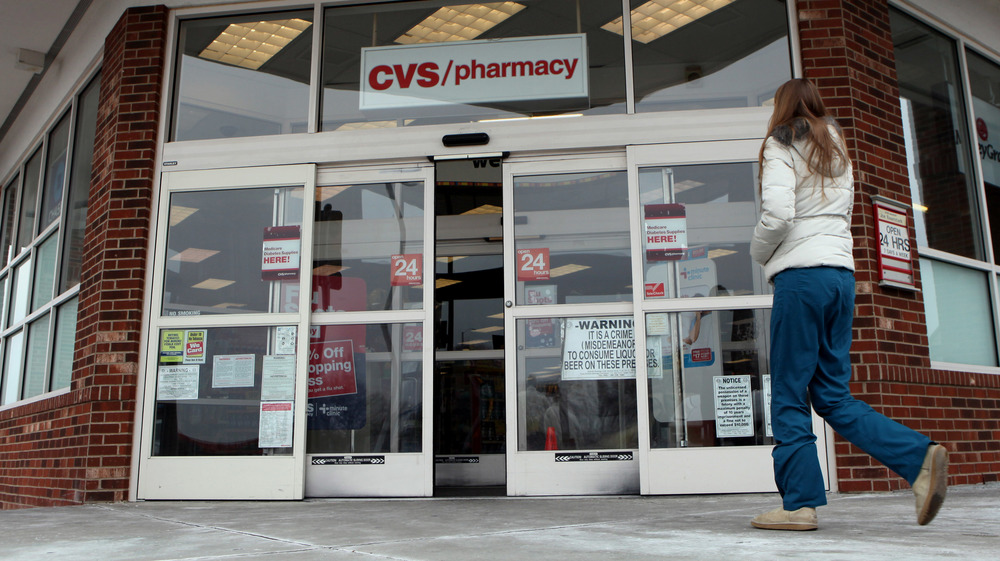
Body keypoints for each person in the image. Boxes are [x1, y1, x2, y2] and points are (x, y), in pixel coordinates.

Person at [748, 78, 948, 531]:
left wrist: (758, 253)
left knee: (788, 393)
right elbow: (841, 216)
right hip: (840, 278)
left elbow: (778, 215)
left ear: (781, 108)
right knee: (833, 396)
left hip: (801, 280)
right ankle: (919, 458)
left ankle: (799, 505)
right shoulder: (837, 148)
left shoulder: (780, 145)